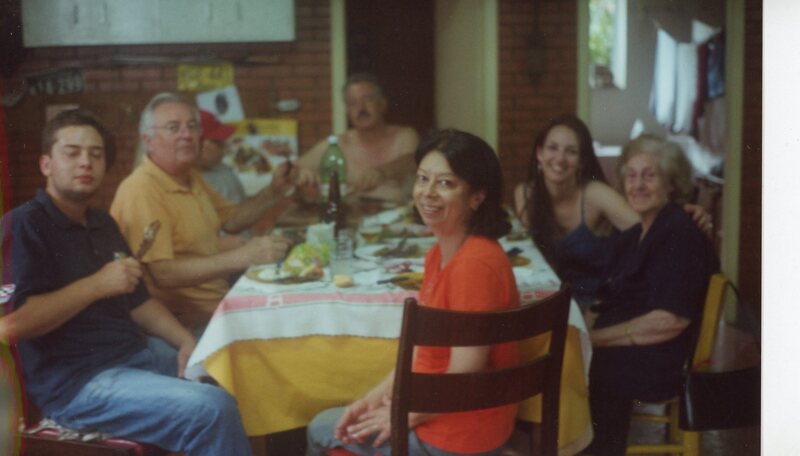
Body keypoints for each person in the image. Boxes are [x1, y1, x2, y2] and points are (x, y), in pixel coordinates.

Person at [0, 109, 252, 455]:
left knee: (230, 373)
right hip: (78, 386)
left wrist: (184, 342)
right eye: (72, 153)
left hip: (137, 356)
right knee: (211, 410)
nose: (85, 162)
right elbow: (10, 325)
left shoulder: (102, 223)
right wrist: (97, 284)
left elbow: (139, 302)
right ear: (46, 164)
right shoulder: (23, 225)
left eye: (96, 154)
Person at [307, 129, 519, 455]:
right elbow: (421, 355)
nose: (427, 193)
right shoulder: (439, 254)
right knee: (339, 419)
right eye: (422, 179)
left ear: (477, 196)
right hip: (438, 409)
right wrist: (370, 401)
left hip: (461, 433)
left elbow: (464, 375)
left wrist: (403, 415)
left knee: (322, 428)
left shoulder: (474, 264)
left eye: (445, 183)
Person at [110, 92, 293, 331]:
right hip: (184, 327)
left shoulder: (190, 177)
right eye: (173, 128)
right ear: (149, 140)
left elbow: (233, 220)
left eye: (192, 126)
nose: (186, 135)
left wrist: (275, 190)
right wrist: (245, 256)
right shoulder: (141, 188)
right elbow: (163, 274)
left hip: (219, 310)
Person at [585, 134, 719, 455]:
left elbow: (670, 320)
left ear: (671, 183)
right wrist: (586, 331)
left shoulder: (679, 233)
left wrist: (594, 339)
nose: (638, 185)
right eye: (631, 176)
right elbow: (603, 297)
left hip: (659, 361)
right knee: (569, 363)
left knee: (581, 369)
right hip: (632, 347)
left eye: (650, 175)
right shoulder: (635, 234)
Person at [513, 114, 712, 311]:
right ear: (539, 153)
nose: (560, 158)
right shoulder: (525, 194)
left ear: (582, 161)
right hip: (553, 297)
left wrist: (685, 216)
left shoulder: (595, 194)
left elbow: (651, 226)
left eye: (571, 151)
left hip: (597, 302)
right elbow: (531, 253)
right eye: (552, 148)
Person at [296, 73, 420, 204]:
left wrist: (383, 171)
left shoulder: (405, 136)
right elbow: (293, 169)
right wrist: (303, 175)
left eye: (368, 99)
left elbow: (414, 160)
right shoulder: (337, 144)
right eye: (352, 103)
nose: (361, 108)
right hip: (352, 215)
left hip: (399, 213)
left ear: (382, 104)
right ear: (347, 111)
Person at [196, 109, 246, 203]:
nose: (225, 147)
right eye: (217, 142)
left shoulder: (219, 166)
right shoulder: (194, 186)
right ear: (197, 145)